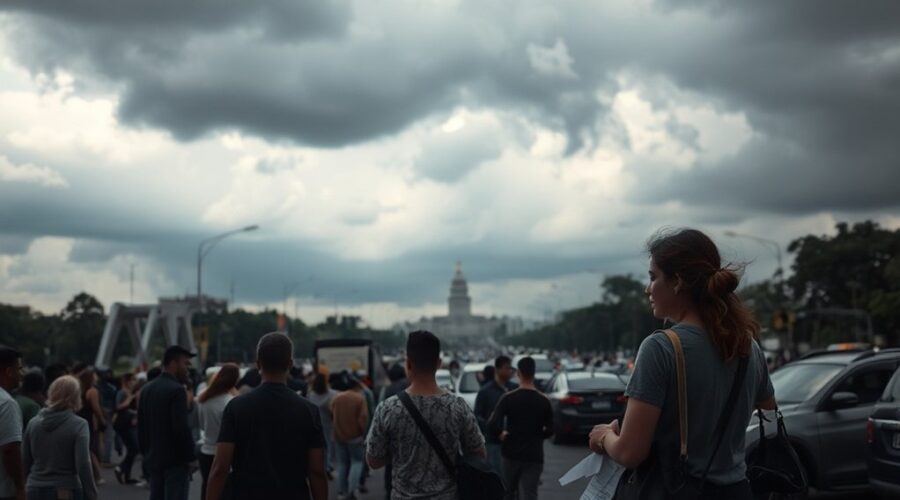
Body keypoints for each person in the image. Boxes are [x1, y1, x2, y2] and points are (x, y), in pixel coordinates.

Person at [588, 228, 778, 499]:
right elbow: (769, 412)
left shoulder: (660, 348)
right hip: (736, 491)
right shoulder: (749, 347)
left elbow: (630, 453)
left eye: (653, 277)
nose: (647, 288)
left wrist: (604, 436)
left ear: (677, 281)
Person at [366, 330, 485, 500]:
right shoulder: (457, 406)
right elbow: (479, 452)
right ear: (439, 363)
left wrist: (402, 450)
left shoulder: (388, 408)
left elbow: (374, 461)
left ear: (408, 364)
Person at [207, 333, 327, 500]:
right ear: (290, 364)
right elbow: (317, 471)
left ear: (258, 364)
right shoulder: (309, 410)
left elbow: (220, 467)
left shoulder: (236, 407)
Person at [22, 375, 98, 500]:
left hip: (33, 488)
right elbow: (83, 464)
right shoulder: (79, 425)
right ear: (75, 396)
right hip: (65, 489)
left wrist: (22, 487)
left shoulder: (33, 423)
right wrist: (91, 494)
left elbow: (25, 460)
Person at [488, 357, 553, 500]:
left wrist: (501, 433)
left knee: (509, 492)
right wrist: (537, 436)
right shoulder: (544, 400)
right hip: (534, 455)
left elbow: (492, 424)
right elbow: (552, 429)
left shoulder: (508, 398)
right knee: (530, 493)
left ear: (518, 373)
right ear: (534, 373)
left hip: (511, 453)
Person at [137, 346, 196, 500]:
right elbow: (181, 427)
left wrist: (146, 453)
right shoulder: (177, 390)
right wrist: (190, 457)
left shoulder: (147, 389)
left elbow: (141, 426)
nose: (188, 368)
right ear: (174, 363)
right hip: (175, 461)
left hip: (154, 459)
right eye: (185, 363)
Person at [196, 363, 239, 500]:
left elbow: (202, 425)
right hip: (224, 453)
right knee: (225, 491)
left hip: (206, 449)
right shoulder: (231, 402)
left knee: (207, 487)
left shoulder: (203, 399)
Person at [474, 355, 517, 475]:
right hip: (493, 442)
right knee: (496, 476)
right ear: (497, 369)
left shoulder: (514, 389)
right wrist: (494, 430)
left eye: (510, 368)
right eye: (507, 368)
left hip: (513, 442)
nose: (510, 371)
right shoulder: (485, 391)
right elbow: (478, 416)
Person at [330, 373, 368, 500]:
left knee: (342, 464)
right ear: (356, 386)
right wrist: (363, 433)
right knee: (356, 462)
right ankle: (352, 491)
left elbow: (331, 414)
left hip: (339, 436)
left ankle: (341, 491)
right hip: (355, 436)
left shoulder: (337, 398)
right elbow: (363, 418)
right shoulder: (359, 398)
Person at [0, 346, 26, 500]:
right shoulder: (6, 403)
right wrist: (20, 488)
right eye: (20, 369)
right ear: (9, 372)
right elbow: (10, 450)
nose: (22, 374)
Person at [75, 368, 105, 484]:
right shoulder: (93, 391)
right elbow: (96, 408)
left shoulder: (80, 390)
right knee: (91, 449)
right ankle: (97, 475)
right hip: (89, 420)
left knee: (87, 448)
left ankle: (92, 475)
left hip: (81, 418)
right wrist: (102, 420)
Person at [306, 372, 338, 479]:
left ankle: (320, 465)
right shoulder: (332, 394)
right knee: (328, 445)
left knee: (316, 446)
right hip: (328, 422)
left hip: (314, 422)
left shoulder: (311, 395)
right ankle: (327, 466)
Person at [113, 373, 139, 485]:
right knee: (134, 448)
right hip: (123, 423)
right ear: (127, 381)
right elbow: (118, 407)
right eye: (132, 380)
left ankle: (127, 476)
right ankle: (121, 468)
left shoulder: (130, 392)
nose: (134, 382)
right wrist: (130, 399)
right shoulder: (122, 392)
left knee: (133, 449)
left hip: (130, 423)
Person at [96, 369, 118, 467]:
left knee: (98, 436)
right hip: (108, 411)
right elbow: (114, 400)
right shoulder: (111, 387)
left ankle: (99, 458)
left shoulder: (96, 387)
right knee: (108, 436)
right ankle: (106, 459)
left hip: (99, 410)